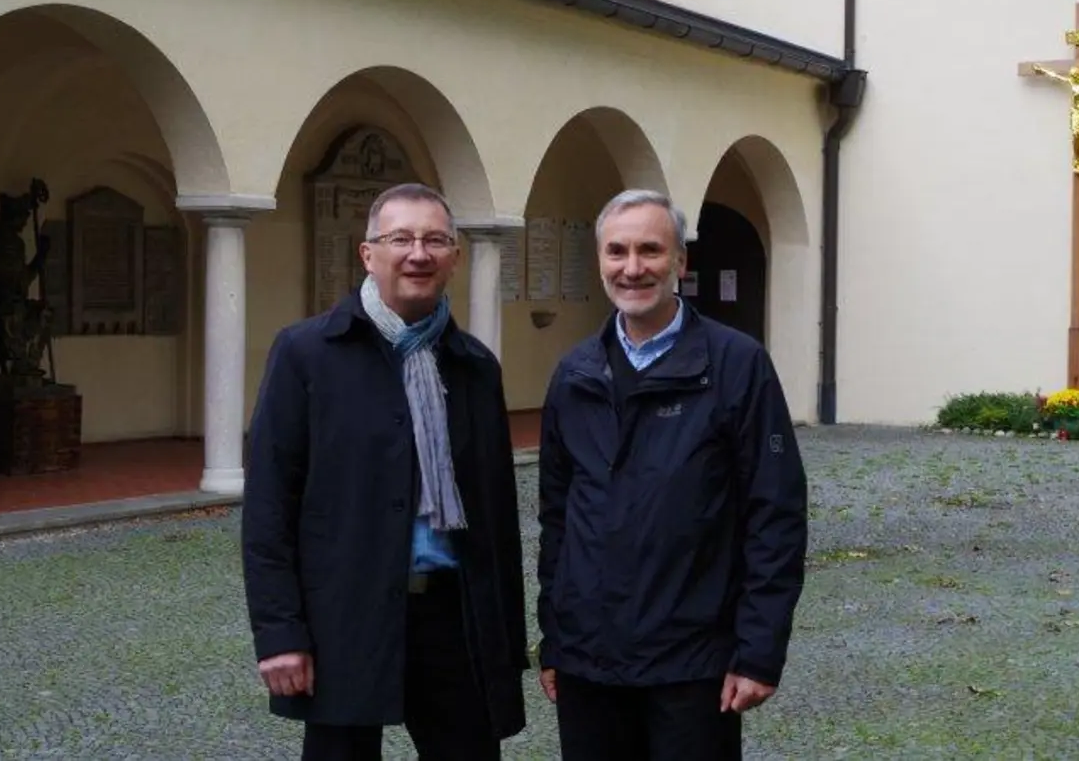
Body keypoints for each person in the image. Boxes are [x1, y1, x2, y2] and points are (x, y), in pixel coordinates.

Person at [241, 182, 530, 761]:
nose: (417, 253)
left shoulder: (475, 368)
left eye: (434, 240)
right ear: (368, 254)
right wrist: (279, 634)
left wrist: (508, 641)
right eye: (400, 238)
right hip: (344, 613)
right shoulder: (307, 354)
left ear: (455, 257)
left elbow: (499, 518)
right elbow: (271, 505)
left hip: (454, 614)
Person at [534, 188, 809, 761]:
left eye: (650, 251)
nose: (632, 268)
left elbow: (774, 514)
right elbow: (557, 520)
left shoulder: (736, 365)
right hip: (589, 661)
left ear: (680, 262)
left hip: (692, 660)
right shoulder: (574, 374)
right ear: (601, 261)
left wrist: (758, 651)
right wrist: (555, 639)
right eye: (617, 252)